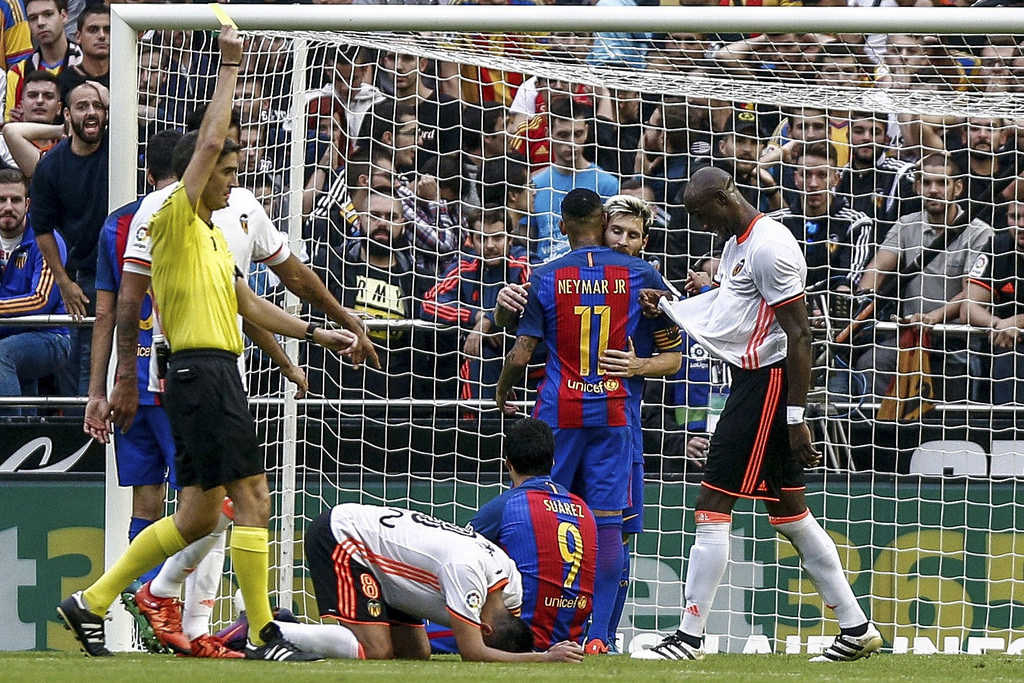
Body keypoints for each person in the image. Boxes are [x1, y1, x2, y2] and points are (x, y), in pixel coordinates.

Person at [56, 26, 354, 662]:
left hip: (207, 374)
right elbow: (210, 141)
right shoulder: (171, 215)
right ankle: (264, 632)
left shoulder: (215, 234)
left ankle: (94, 601)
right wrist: (227, 68)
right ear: (200, 169)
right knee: (252, 499)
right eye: (226, 169)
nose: (232, 180)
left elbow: (245, 303)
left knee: (197, 516)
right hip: (201, 372)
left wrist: (315, 333)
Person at [631, 166, 881, 663]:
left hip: (767, 388)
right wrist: (680, 301)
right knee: (790, 515)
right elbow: (738, 314)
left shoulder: (770, 246)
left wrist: (794, 416)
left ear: (724, 199)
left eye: (701, 215)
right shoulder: (736, 244)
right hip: (754, 383)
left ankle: (688, 638)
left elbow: (801, 334)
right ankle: (856, 627)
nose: (701, 225)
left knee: (712, 502)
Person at [495, 188, 680, 655]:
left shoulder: (546, 274)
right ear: (601, 223)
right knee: (608, 526)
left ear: (561, 226)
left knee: (539, 517)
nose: (622, 238)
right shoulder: (642, 277)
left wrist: (501, 390)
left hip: (559, 414)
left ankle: (539, 629)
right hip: (614, 416)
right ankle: (599, 637)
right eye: (617, 229)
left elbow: (521, 351)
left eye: (633, 233)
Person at [294, 501, 585, 662]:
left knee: (416, 653)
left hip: (394, 572)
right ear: (483, 628)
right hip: (346, 536)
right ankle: (274, 630)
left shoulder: (512, 587)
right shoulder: (465, 570)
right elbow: (473, 652)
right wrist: (544, 659)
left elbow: (502, 641)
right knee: (376, 651)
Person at [854, 152, 993, 398]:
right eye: (926, 183)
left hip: (955, 340)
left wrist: (932, 318)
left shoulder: (980, 233)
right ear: (917, 186)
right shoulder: (906, 224)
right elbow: (877, 268)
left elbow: (971, 293)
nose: (933, 190)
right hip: (909, 337)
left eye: (942, 183)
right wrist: (862, 299)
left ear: (957, 187)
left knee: (952, 404)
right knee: (871, 362)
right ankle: (878, 435)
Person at [459, 418, 596, 650]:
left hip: (513, 636)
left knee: (410, 628)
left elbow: (456, 554)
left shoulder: (507, 505)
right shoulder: (584, 509)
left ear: (508, 464)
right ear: (553, 461)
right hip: (571, 638)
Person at [29, 78, 107, 399]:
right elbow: (42, 229)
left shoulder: (123, 149)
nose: (91, 113)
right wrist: (63, 281)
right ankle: (82, 435)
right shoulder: (51, 166)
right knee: (78, 370)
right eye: (82, 106)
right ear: (66, 114)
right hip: (80, 278)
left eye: (98, 106)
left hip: (126, 273)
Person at [420, 208, 531, 403]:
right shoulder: (464, 266)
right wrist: (476, 317)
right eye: (481, 238)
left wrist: (489, 322)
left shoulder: (523, 263)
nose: (489, 245)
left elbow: (533, 305)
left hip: (525, 363)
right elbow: (429, 305)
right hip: (476, 361)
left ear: (510, 239)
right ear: (471, 240)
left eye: (497, 238)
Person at [0, 167, 70, 414]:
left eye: (15, 200)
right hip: (10, 334)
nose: (8, 207)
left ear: (27, 203)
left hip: (51, 336)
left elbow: (41, 300)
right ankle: (26, 434)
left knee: (1, 357)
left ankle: (9, 435)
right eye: (2, 200)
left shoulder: (46, 239)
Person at [531, 99, 619, 262]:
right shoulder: (535, 184)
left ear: (586, 131)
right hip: (547, 274)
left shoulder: (608, 184)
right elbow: (525, 239)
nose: (571, 143)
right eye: (563, 135)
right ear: (547, 133)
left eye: (577, 134)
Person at [963, 199, 1024, 404]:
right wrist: (998, 324)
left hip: (1015, 331)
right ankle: (1009, 433)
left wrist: (1019, 321)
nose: (1020, 225)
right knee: (1008, 361)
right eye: (1014, 217)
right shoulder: (997, 246)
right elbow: (968, 308)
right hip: (1009, 342)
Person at [5, 0, 80, 121]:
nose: (40, 23)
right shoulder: (18, 72)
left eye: (48, 14)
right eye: (33, 18)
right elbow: (11, 128)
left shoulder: (87, 65)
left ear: (64, 16)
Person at [1, 69, 65, 177]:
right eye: (32, 95)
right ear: (21, 105)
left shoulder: (68, 146)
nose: (40, 101)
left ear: (59, 108)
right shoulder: (2, 145)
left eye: (48, 96)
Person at [56, 4, 107, 101]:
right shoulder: (64, 81)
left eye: (108, 30)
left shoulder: (125, 78)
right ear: (78, 37)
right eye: (93, 30)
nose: (102, 36)